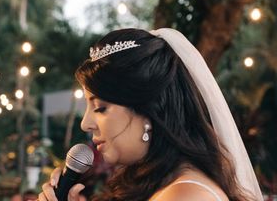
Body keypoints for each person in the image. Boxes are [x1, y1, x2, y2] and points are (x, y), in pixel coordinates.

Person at [39, 28, 263, 201]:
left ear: (149, 111)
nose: (86, 124)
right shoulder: (166, 186)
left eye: (100, 108)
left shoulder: (187, 195)